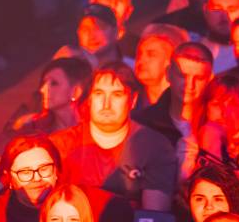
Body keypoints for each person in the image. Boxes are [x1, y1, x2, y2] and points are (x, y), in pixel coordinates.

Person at [0, 134, 131, 222]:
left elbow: (120, 209)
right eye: (25, 172)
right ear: (8, 177)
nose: (37, 178)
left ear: (56, 171)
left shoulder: (77, 199)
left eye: (44, 169)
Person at [51, 64, 177, 211]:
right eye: (99, 94)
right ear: (90, 99)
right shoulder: (60, 145)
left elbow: (153, 218)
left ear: (133, 100)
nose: (106, 104)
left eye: (117, 95)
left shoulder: (155, 146)